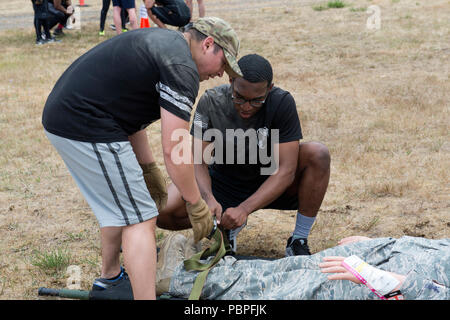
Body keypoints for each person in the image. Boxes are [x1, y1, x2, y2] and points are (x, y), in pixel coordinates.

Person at [42, 17, 242, 300]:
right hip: (83, 122)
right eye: (224, 64)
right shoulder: (181, 67)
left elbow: (129, 113)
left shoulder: (168, 46)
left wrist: (148, 169)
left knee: (123, 206)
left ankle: (110, 280)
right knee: (141, 217)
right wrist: (196, 204)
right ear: (209, 44)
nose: (221, 74)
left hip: (76, 115)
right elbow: (175, 149)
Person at [157, 54, 331, 256]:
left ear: (269, 89)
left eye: (256, 100)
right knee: (164, 210)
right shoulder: (211, 101)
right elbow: (198, 161)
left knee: (318, 154)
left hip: (270, 181)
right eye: (239, 97)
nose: (247, 107)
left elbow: (286, 170)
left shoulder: (282, 102)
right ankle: (221, 230)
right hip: (224, 182)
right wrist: (208, 198)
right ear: (231, 81)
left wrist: (245, 208)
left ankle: (298, 240)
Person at [155, 232, 450, 300]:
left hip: (384, 287)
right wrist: (380, 241)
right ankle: (200, 270)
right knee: (291, 269)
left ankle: (177, 279)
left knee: (280, 288)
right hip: (386, 255)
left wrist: (380, 278)